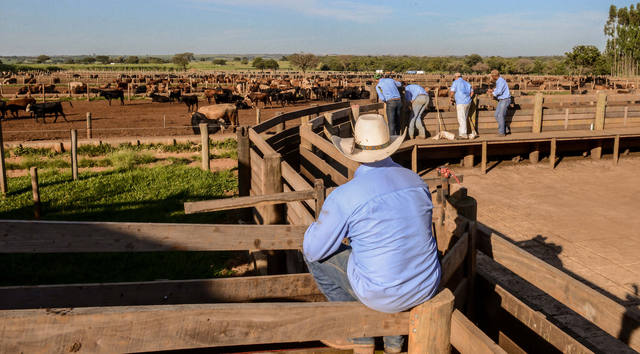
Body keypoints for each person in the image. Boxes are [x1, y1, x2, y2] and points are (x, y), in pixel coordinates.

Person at [303, 114, 441, 354]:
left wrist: (314, 229)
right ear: (388, 145)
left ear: (355, 150)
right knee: (393, 261)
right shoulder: (416, 181)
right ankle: (393, 343)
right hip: (425, 283)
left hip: (383, 291)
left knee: (315, 258)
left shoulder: (346, 195)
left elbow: (314, 249)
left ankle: (359, 335)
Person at [449, 73, 475, 139]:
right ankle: (463, 132)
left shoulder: (455, 82)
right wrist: (468, 97)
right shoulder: (466, 83)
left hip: (460, 102)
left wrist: (451, 98)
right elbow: (472, 92)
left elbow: (452, 92)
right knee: (464, 117)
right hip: (468, 102)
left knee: (461, 118)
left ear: (456, 77)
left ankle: (463, 134)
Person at [488, 69, 511, 136]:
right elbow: (499, 89)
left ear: (494, 76)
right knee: (496, 115)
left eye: (492, 76)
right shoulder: (499, 81)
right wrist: (493, 90)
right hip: (502, 100)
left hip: (505, 99)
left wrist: (493, 94)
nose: (491, 77)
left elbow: (499, 91)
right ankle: (505, 129)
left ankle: (501, 132)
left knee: (500, 115)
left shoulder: (500, 81)